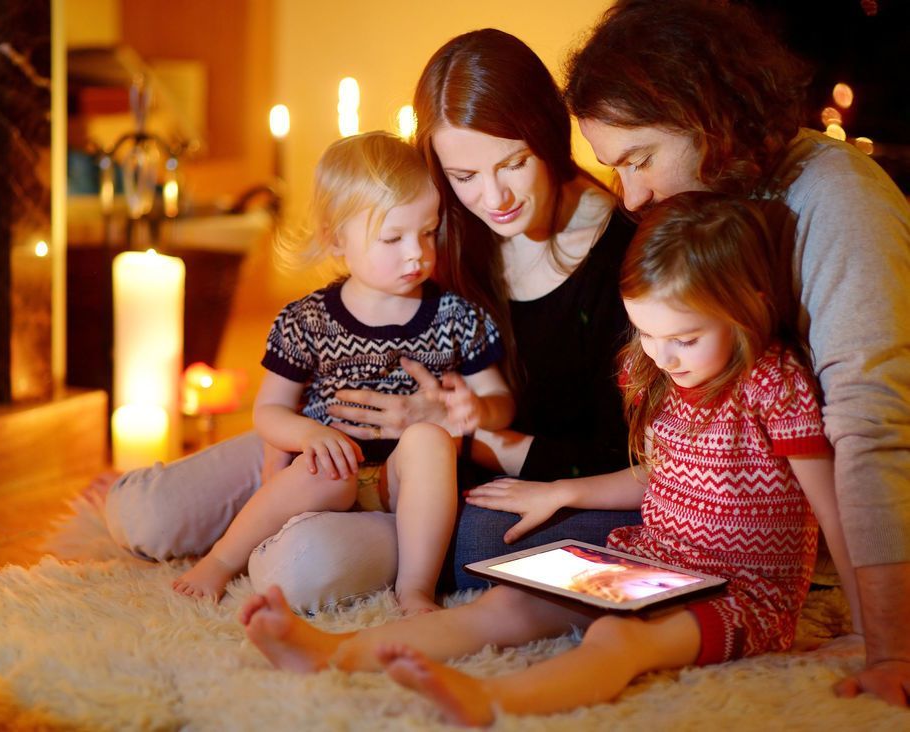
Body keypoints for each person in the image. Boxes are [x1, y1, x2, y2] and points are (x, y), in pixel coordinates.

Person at [239, 191, 862, 726]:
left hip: (743, 593)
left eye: (685, 338)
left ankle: (492, 698)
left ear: (745, 304)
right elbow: (660, 474)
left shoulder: (773, 385)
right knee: (507, 600)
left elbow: (837, 513)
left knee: (617, 638)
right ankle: (334, 653)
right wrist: (562, 492)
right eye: (647, 333)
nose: (665, 355)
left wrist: (871, 635)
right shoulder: (668, 375)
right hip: (656, 561)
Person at [100, 28, 641, 607]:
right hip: (331, 450)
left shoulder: (622, 261)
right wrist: (287, 439)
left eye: (513, 163)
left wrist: (465, 430)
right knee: (144, 515)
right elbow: (355, 292)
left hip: (437, 481)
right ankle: (253, 528)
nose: (493, 198)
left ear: (550, 135)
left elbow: (617, 459)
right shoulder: (439, 219)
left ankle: (297, 545)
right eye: (463, 177)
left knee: (297, 568)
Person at [563, 0, 910, 707]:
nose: (631, 195)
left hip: (817, 525)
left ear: (706, 116)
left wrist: (892, 646)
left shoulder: (838, 198)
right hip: (728, 521)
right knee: (498, 540)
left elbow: (872, 428)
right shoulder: (717, 198)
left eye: (640, 159)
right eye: (614, 167)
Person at [172, 131, 513, 612]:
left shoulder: (456, 316)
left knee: (430, 440)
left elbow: (501, 403)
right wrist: (309, 434)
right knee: (323, 469)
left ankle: (415, 589)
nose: (416, 252)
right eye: (392, 238)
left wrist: (478, 408)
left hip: (406, 483)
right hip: (329, 476)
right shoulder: (307, 319)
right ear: (336, 238)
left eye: (428, 231)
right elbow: (269, 410)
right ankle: (221, 559)